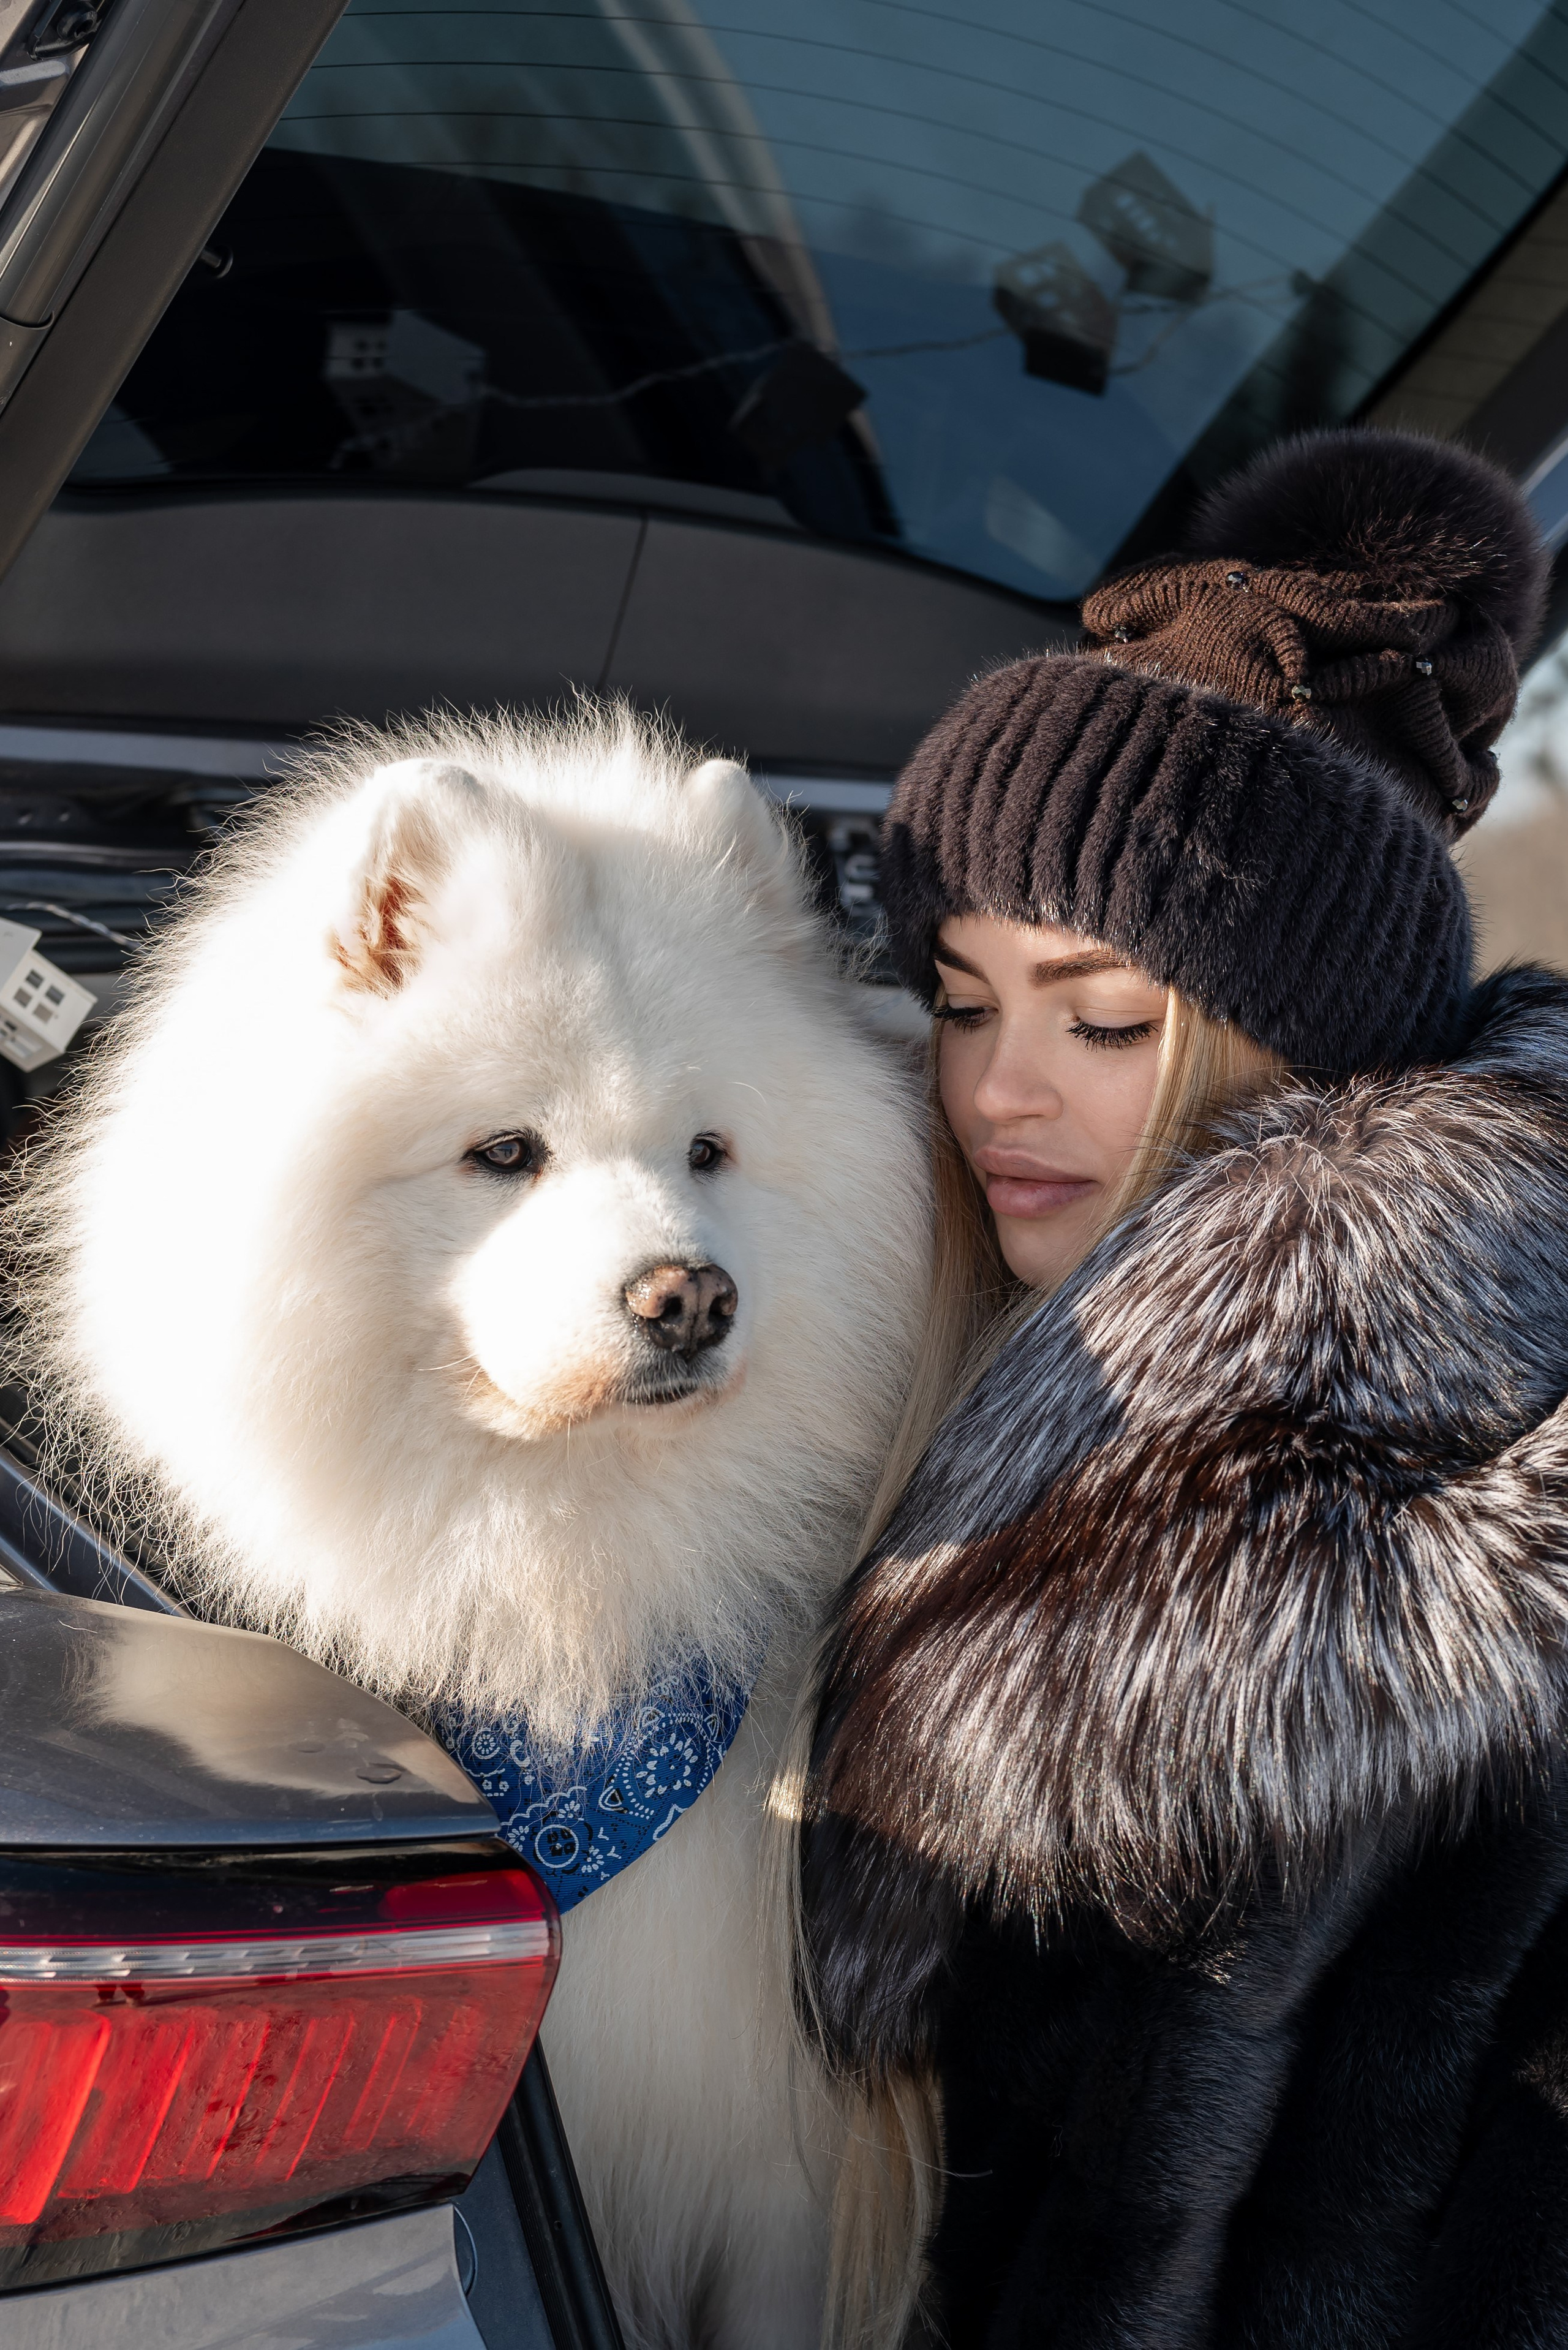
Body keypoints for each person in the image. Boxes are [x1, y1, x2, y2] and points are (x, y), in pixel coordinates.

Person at [794, 429, 1568, 2349]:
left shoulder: (1471, 1530)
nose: (999, 1088)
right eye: (961, 1001)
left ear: (1294, 1038)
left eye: (1103, 1014)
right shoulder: (941, 1379)